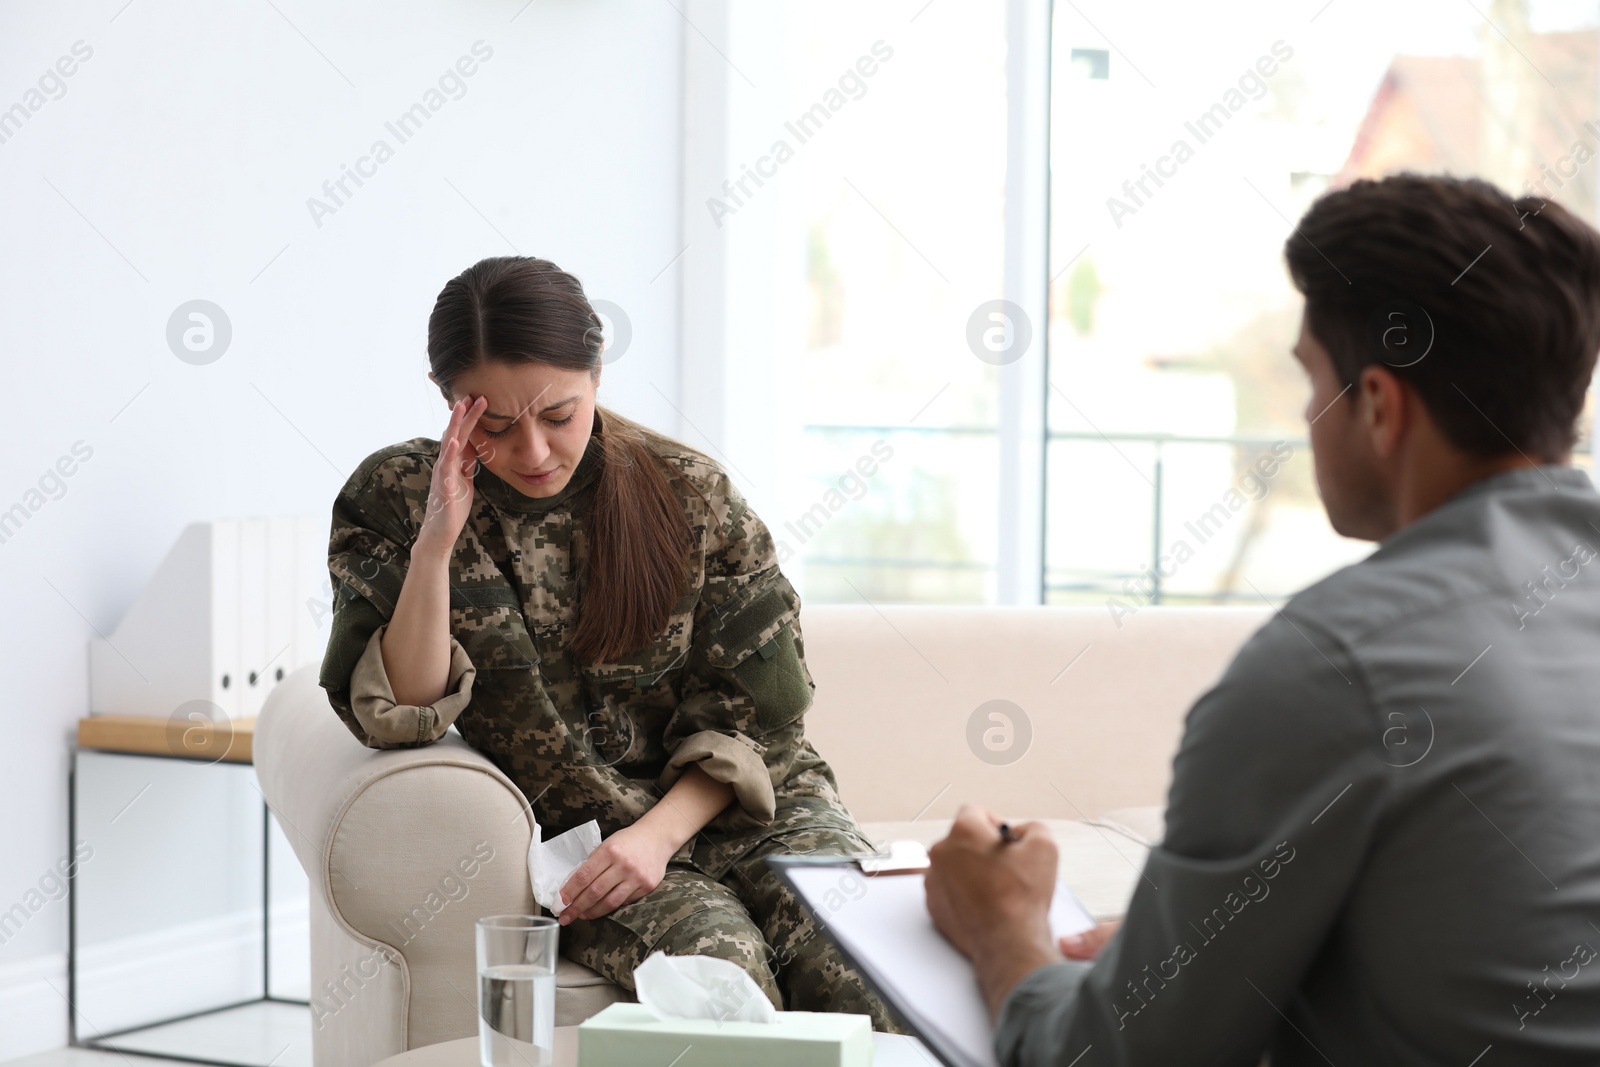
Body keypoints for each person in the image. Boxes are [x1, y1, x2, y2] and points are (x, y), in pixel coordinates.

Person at [924, 174, 1600, 1064]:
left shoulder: (1336, 664)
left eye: (1311, 380)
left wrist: (1003, 927)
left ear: (1379, 407)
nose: (1307, 417)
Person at [317, 255, 896, 1029]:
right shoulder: (395, 497)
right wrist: (435, 543)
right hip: (591, 837)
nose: (532, 452)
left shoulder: (691, 493)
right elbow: (400, 710)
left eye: (559, 414)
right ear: (448, 399)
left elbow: (761, 715)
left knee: (869, 967)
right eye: (493, 424)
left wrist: (657, 836)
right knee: (725, 986)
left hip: (757, 806)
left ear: (596, 373)